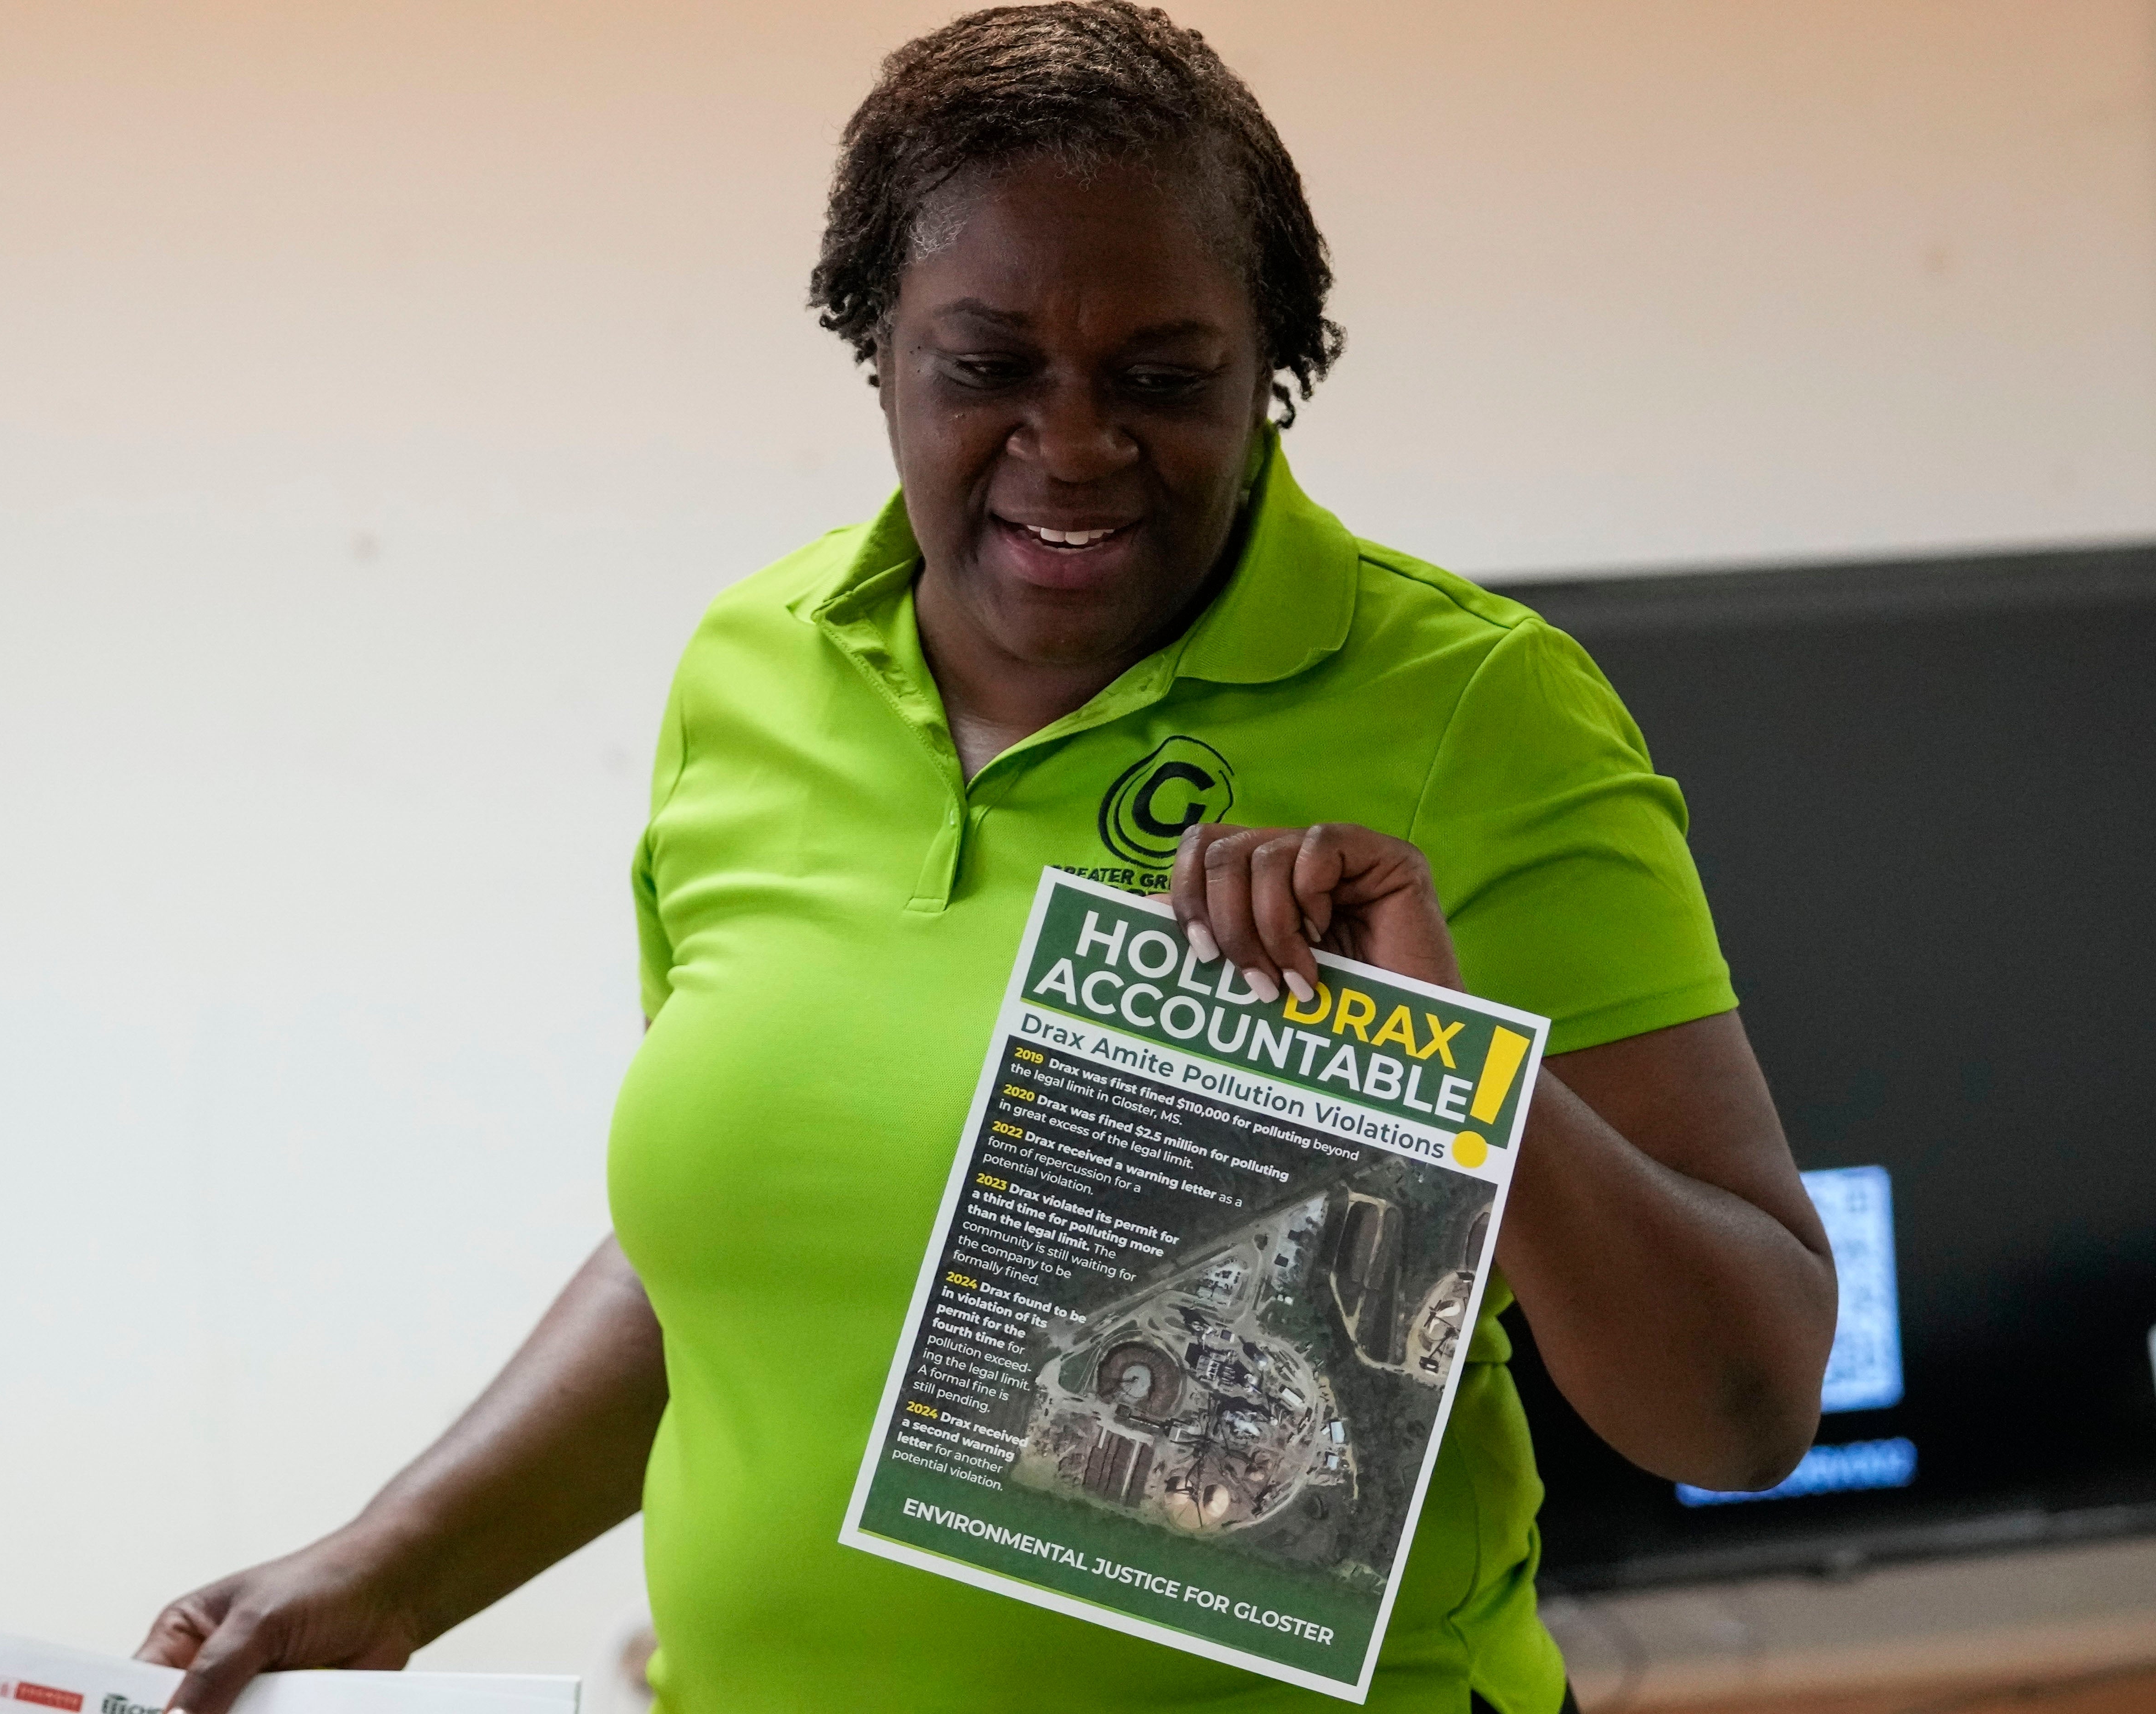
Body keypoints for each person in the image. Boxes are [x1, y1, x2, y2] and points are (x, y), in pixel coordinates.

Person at [137, 5, 1836, 1710]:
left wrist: (1450, 1068)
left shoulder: (1478, 711)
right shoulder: (755, 670)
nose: (1078, 442)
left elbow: (1746, 1411)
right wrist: (387, 1564)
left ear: (1276, 369)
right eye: (988, 366)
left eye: (1165, 379)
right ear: (878, 348)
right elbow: (734, 1260)